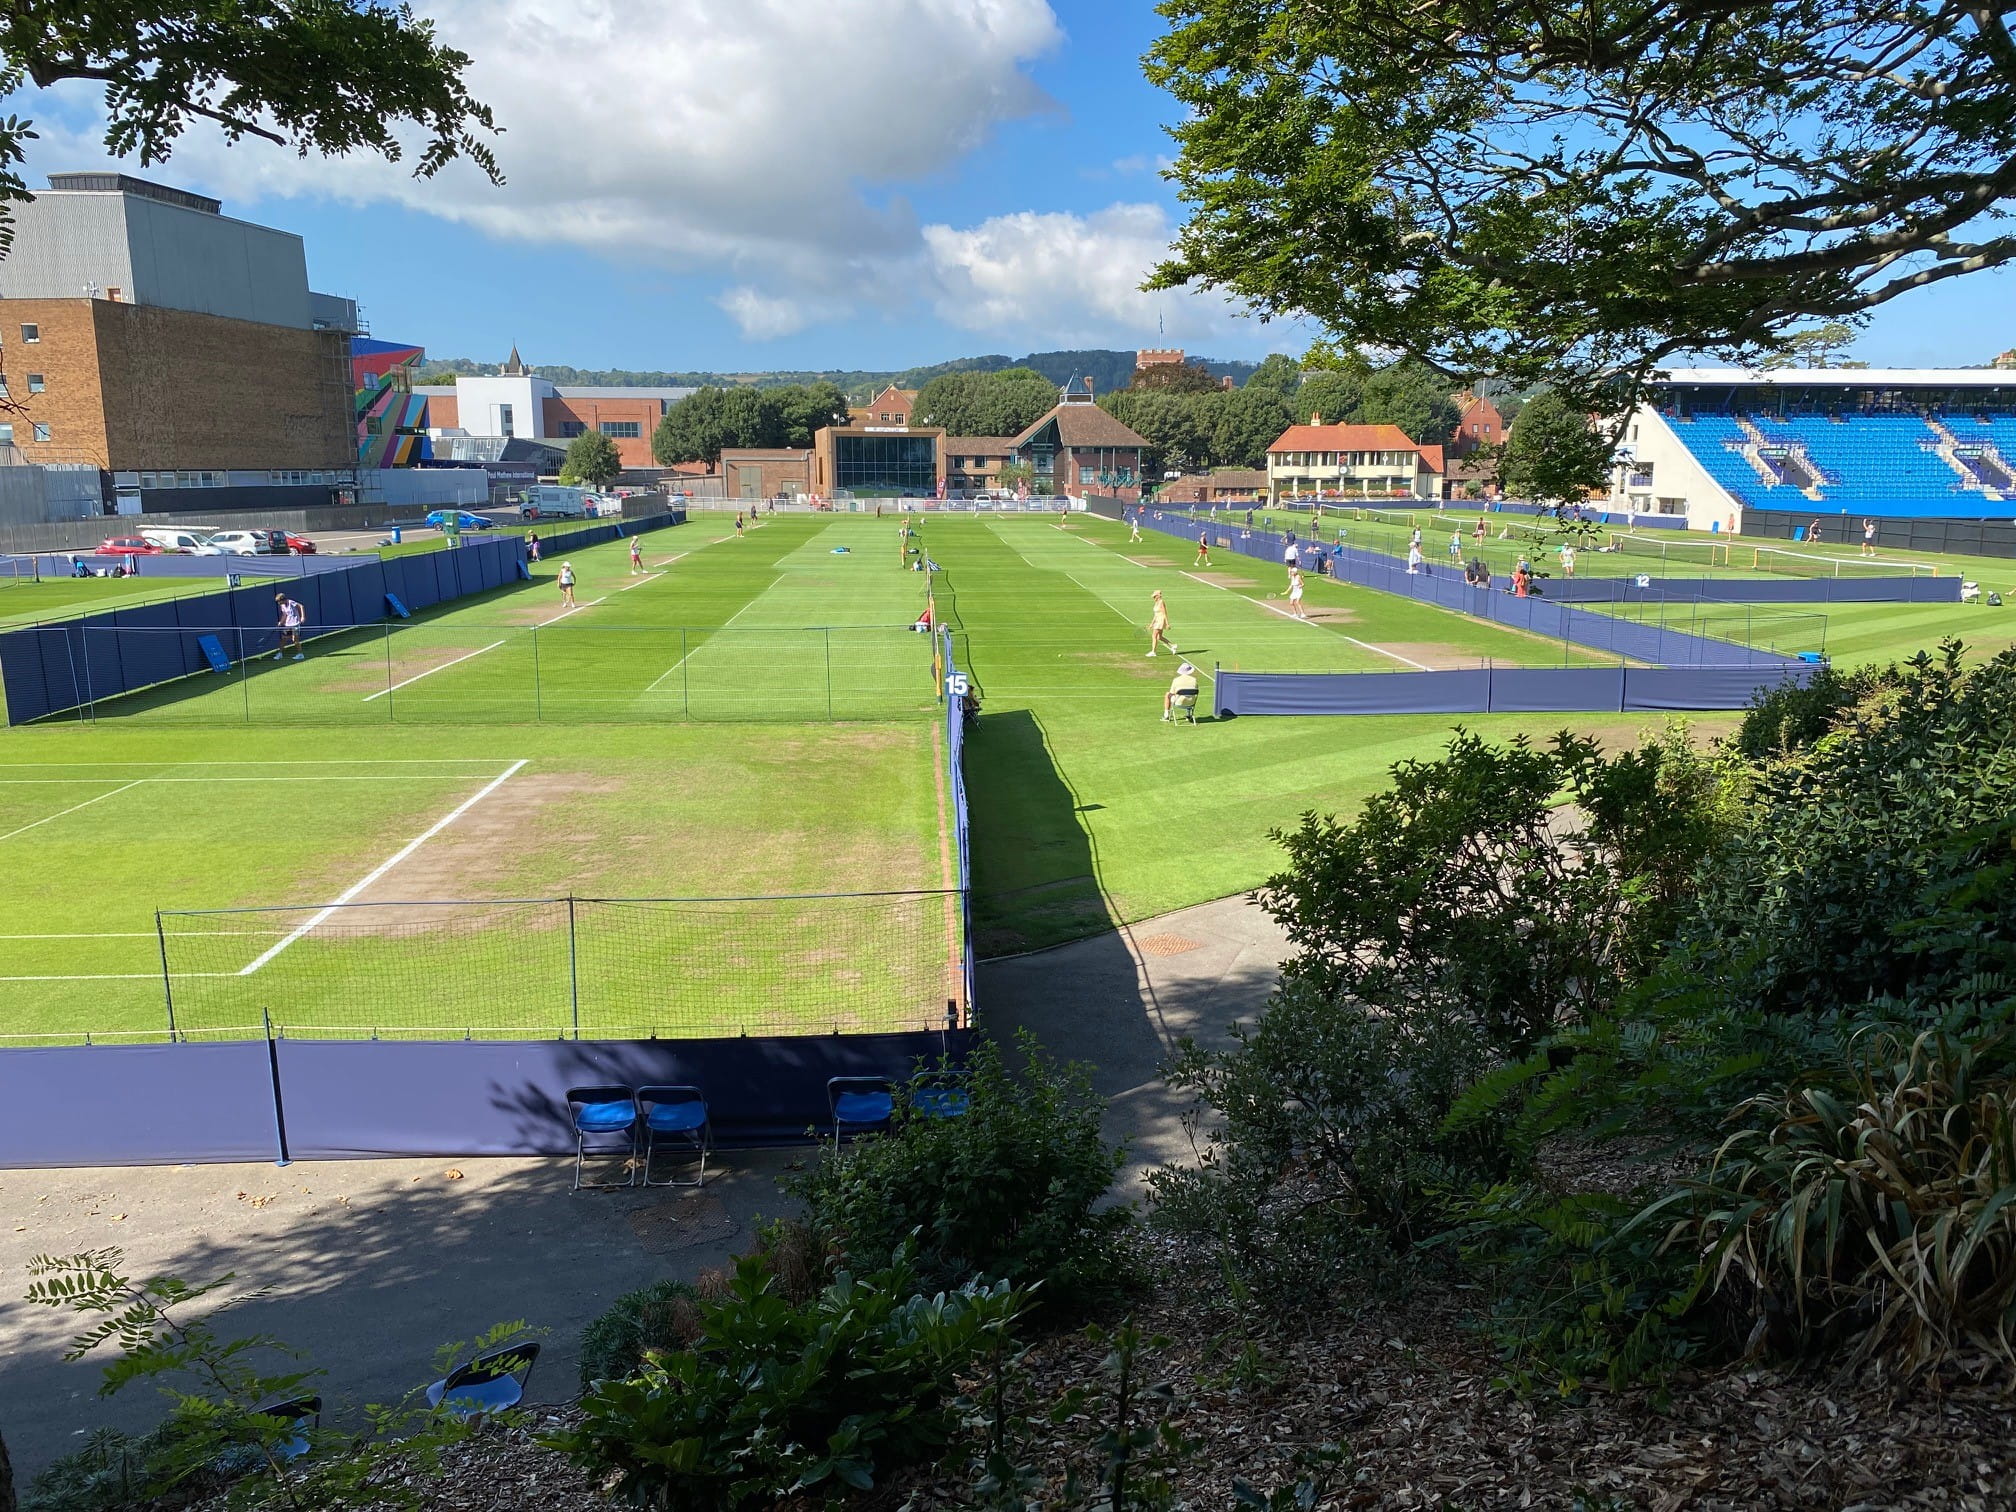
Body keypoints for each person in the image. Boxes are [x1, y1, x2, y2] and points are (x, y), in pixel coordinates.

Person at [274, 591, 306, 661]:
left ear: (282, 600)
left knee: (295, 639)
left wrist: (302, 617)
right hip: (287, 625)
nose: (278, 603)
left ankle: (300, 654)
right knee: (283, 639)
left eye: (279, 601)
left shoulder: (291, 602)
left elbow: (301, 606)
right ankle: (280, 654)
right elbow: (285, 614)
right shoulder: (282, 606)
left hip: (295, 624)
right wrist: (281, 622)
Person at [1148, 590, 1173, 657]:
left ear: (1158, 596)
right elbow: (1155, 615)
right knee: (1159, 637)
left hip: (1161, 620)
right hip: (1157, 620)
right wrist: (1152, 623)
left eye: (1155, 596)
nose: (1154, 598)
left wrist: (1167, 623)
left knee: (1154, 636)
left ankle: (1153, 651)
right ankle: (1173, 646)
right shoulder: (1156, 603)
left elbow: (1165, 613)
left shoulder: (1161, 602)